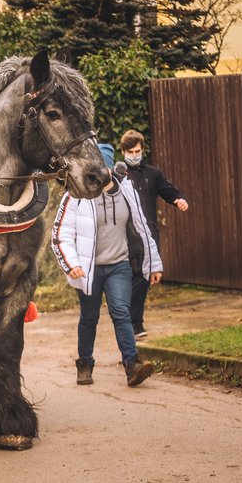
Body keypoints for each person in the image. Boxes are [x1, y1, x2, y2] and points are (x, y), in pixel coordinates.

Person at [51, 143, 163, 388]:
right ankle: (85, 365)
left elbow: (143, 229)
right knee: (89, 317)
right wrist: (72, 265)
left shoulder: (127, 191)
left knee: (121, 312)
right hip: (88, 270)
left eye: (102, 168)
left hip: (118, 265)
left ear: (109, 168)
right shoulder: (76, 194)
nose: (97, 175)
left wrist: (154, 264)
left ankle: (132, 365)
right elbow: (61, 234)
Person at [117, 129, 187, 339]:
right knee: (132, 276)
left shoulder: (153, 174)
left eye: (137, 150)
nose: (135, 154)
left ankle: (135, 323)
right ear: (123, 152)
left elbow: (168, 190)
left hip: (149, 233)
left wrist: (178, 199)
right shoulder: (119, 176)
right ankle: (128, 321)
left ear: (143, 149)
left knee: (145, 276)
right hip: (126, 235)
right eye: (130, 151)